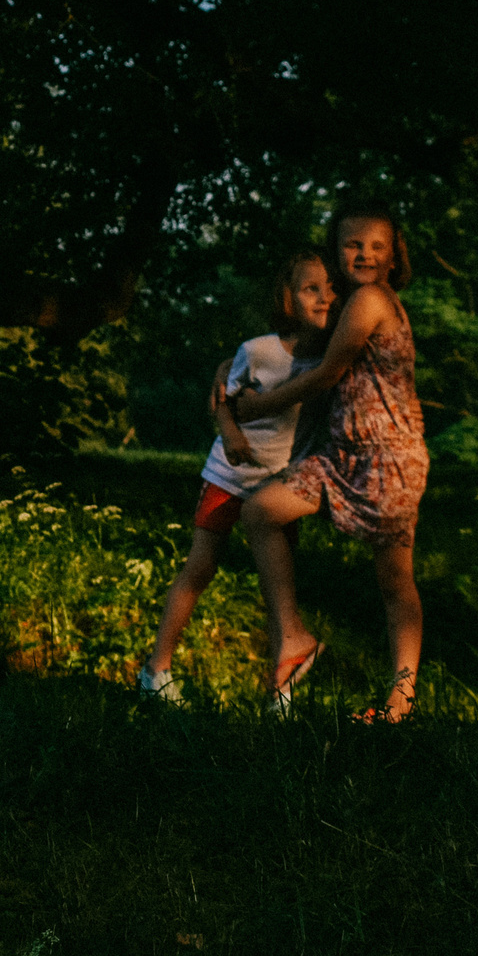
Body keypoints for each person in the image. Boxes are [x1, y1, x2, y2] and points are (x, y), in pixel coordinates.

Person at [216, 207, 428, 721]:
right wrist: (228, 372)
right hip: (341, 457)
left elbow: (326, 373)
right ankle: (293, 637)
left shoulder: (373, 301)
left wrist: (251, 408)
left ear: (393, 256)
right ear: (336, 251)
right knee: (262, 511)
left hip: (388, 461)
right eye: (352, 244)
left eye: (377, 246)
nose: (364, 254)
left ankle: (400, 704)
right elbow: (290, 351)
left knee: (395, 582)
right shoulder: (347, 305)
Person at [134, 250, 335, 704]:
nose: (324, 298)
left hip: (280, 484)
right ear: (289, 297)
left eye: (331, 289)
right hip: (228, 476)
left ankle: (280, 690)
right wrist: (229, 433)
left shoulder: (334, 356)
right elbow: (223, 399)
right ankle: (155, 670)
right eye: (310, 289)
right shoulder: (259, 351)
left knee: (276, 583)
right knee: (200, 565)